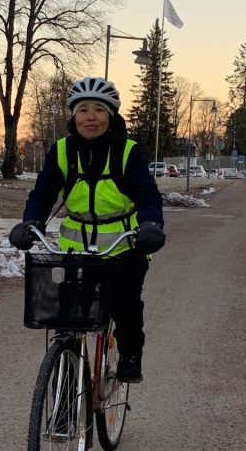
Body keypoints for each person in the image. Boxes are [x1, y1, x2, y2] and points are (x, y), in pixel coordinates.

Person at [9, 77, 165, 383]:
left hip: (125, 245)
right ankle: (65, 397)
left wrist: (151, 226)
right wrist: (30, 221)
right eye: (82, 110)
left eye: (99, 110)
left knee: (125, 304)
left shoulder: (127, 152)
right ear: (73, 116)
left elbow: (147, 194)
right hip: (74, 247)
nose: (90, 117)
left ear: (112, 115)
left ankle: (131, 355)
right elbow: (43, 192)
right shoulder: (63, 151)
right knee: (67, 319)